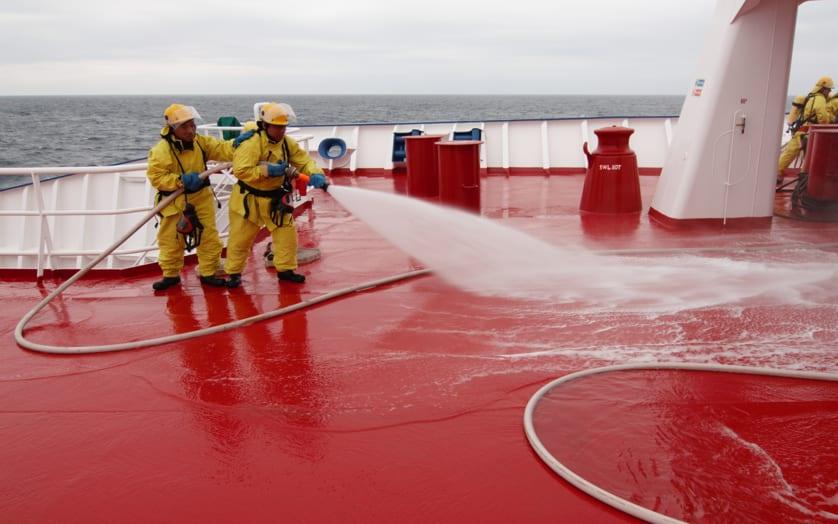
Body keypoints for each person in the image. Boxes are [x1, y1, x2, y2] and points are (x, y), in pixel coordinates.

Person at [224, 102, 328, 287]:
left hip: (275, 199)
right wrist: (267, 171)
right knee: (240, 239)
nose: (281, 131)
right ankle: (233, 273)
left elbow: (303, 161)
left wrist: (316, 173)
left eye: (283, 127)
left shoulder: (287, 144)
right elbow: (241, 171)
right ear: (265, 125)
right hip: (249, 200)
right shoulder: (251, 143)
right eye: (277, 127)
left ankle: (285, 270)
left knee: (286, 236)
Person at [146, 104, 234, 291]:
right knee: (171, 240)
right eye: (185, 127)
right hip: (174, 202)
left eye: (192, 125)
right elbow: (157, 177)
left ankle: (208, 273)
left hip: (201, 198)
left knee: (209, 237)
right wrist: (180, 181)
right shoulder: (162, 151)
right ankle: (170, 276)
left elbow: (222, 149)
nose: (190, 130)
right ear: (173, 129)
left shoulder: (200, 143)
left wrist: (241, 143)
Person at [777, 76, 834, 184]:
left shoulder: (811, 97)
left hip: (800, 131)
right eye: (828, 89)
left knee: (789, 154)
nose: (830, 91)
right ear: (823, 88)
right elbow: (822, 117)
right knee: (811, 158)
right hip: (809, 134)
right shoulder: (820, 99)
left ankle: (776, 174)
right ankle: (805, 181)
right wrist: (827, 123)